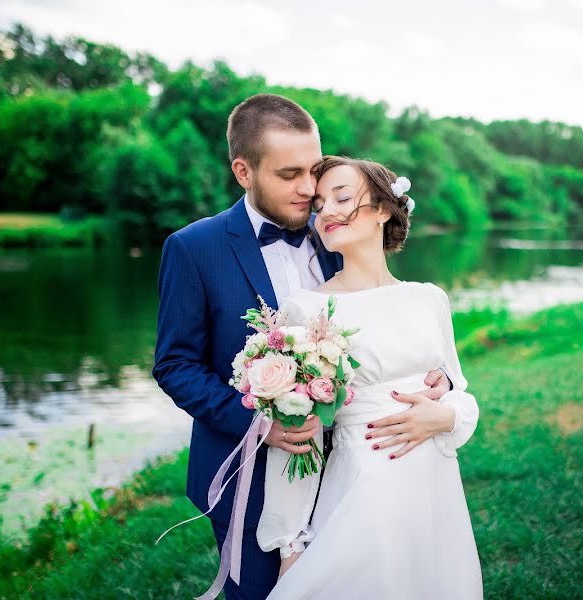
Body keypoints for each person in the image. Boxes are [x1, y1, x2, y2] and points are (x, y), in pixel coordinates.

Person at [152, 94, 458, 600]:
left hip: (356, 468)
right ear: (243, 171)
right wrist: (260, 424)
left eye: (313, 171)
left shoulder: (336, 230)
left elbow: (383, 322)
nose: (308, 188)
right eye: (288, 174)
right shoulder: (193, 248)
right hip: (247, 473)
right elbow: (175, 365)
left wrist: (433, 381)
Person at [257, 156, 483, 599]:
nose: (328, 212)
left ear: (383, 209)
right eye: (319, 205)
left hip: (435, 489)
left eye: (343, 197)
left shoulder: (429, 299)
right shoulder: (307, 309)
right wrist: (290, 545)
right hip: (363, 487)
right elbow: (298, 432)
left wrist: (447, 417)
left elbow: (459, 389)